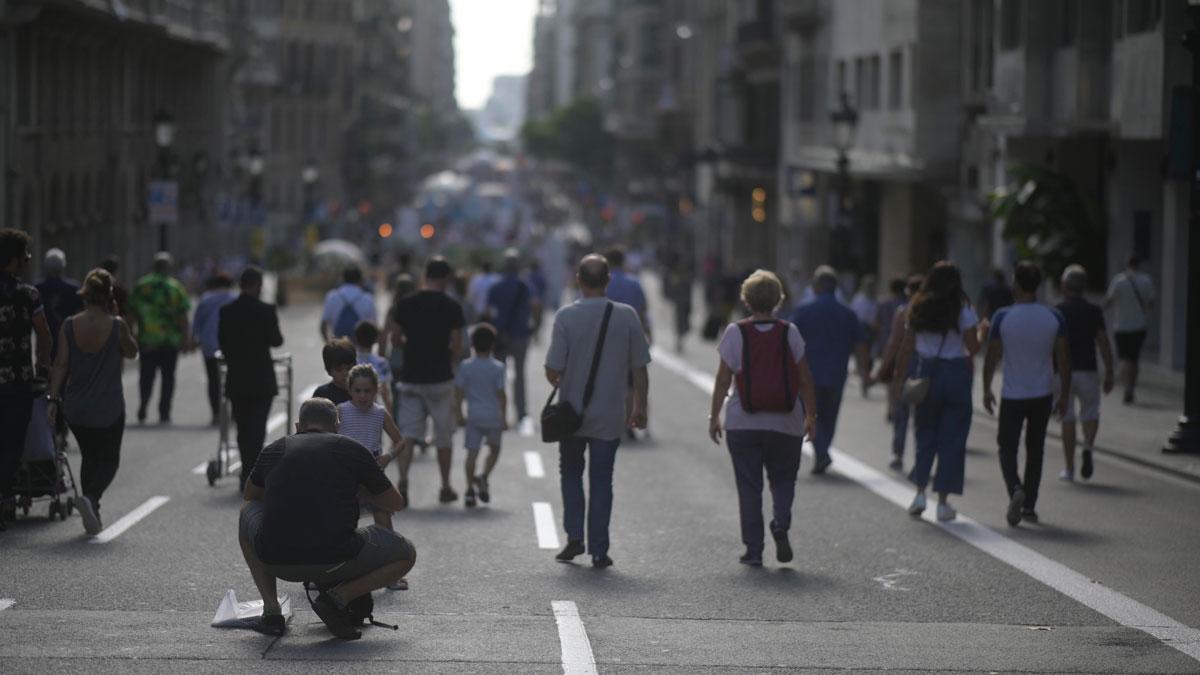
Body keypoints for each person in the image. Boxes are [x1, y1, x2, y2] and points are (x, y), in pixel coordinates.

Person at [238, 398, 414, 639]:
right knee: (406, 553)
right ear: (337, 426)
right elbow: (396, 503)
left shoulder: (274, 449)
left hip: (277, 560)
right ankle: (338, 597)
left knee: (245, 511)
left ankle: (271, 612)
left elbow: (251, 497)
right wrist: (359, 489)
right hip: (338, 559)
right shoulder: (352, 449)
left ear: (299, 426)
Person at [545, 254, 651, 568]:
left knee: (571, 473)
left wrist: (564, 377)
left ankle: (575, 537)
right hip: (610, 414)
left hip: (572, 415)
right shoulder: (627, 315)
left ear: (578, 279)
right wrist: (639, 406)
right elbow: (640, 368)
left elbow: (553, 369)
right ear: (608, 281)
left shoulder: (566, 316)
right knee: (603, 479)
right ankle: (600, 549)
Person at [707, 270, 817, 566]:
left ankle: (753, 549)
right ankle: (780, 524)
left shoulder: (735, 332)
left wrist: (714, 416)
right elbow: (805, 379)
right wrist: (811, 416)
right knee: (783, 480)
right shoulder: (789, 332)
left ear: (746, 299)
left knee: (749, 486)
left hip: (744, 421)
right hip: (786, 421)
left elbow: (721, 379)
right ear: (779, 300)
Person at [46, 268, 138, 534]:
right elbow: (132, 352)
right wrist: (120, 318)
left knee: (89, 455)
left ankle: (92, 512)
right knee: (109, 460)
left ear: (85, 294)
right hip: (108, 406)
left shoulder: (68, 324)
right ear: (109, 295)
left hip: (76, 407)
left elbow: (61, 364)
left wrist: (52, 399)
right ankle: (92, 498)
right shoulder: (116, 324)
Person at [892, 261, 980, 522]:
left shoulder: (917, 306)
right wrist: (982, 332)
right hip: (955, 374)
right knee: (952, 440)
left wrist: (898, 379)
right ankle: (943, 503)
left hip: (925, 374)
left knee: (925, 435)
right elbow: (973, 348)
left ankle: (919, 494)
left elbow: (906, 347)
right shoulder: (964, 309)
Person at [984, 262, 1071, 526]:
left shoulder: (1002, 317)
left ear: (1017, 285)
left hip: (1013, 394)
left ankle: (1015, 488)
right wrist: (1064, 395)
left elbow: (992, 356)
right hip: (1042, 394)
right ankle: (1030, 506)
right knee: (1036, 450)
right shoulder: (1054, 317)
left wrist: (986, 387)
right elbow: (1064, 360)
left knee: (1006, 447)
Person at [390, 256, 466, 505]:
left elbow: (395, 338)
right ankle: (445, 486)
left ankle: (402, 481)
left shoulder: (406, 303)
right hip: (440, 379)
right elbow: (457, 345)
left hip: (411, 376)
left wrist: (408, 346)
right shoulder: (452, 307)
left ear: (425, 276)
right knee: (443, 435)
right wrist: (449, 360)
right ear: (445, 279)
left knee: (408, 435)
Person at [789, 266, 870, 475]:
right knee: (830, 415)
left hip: (809, 373)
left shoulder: (805, 310)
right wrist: (863, 372)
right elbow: (861, 344)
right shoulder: (848, 313)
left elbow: (789, 339)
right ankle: (822, 452)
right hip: (837, 372)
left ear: (816, 287)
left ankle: (822, 452)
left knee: (809, 413)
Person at [337, 365, 406, 590]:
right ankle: (334, 571)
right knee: (343, 523)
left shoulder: (379, 413)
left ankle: (390, 575)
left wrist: (388, 456)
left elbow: (400, 440)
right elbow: (326, 437)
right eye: (357, 390)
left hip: (373, 472)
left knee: (384, 519)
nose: (362, 396)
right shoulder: (341, 411)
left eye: (367, 391)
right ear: (349, 390)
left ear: (376, 390)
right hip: (347, 475)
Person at [0, 229, 52, 530]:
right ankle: (5, 496)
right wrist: (42, 366)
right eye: (25, 257)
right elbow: (43, 334)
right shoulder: (28, 294)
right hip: (17, 382)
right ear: (14, 261)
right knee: (11, 443)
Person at [218, 267, 284, 492]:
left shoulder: (227, 311)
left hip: (237, 378)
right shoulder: (266, 310)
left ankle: (246, 471)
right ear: (258, 286)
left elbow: (223, 343)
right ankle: (252, 473)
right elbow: (276, 341)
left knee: (243, 426)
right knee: (258, 427)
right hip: (262, 378)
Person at [1055, 265, 1115, 482]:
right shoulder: (1094, 311)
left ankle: (1069, 469)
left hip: (1064, 372)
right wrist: (1109, 371)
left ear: (1065, 285)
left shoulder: (1058, 310)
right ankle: (1088, 446)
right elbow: (1103, 342)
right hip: (1088, 370)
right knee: (1090, 413)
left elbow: (1053, 344)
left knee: (1067, 418)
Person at [129, 252, 193, 424]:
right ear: (169, 268)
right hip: (169, 341)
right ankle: (164, 412)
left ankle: (143, 404)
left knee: (146, 376)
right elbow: (183, 317)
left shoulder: (142, 286)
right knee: (168, 378)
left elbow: (131, 313)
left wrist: (131, 334)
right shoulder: (176, 287)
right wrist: (186, 339)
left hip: (147, 340)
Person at [872, 274, 924, 472]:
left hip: (906, 365)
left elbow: (895, 343)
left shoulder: (904, 311)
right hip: (926, 367)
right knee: (921, 417)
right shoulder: (933, 312)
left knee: (900, 412)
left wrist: (885, 367)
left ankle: (898, 453)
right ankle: (921, 457)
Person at [454, 324, 507, 508]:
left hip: (474, 416)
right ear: (492, 345)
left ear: (472, 345)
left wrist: (459, 414)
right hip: (493, 416)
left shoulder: (466, 366)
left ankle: (469, 490)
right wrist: (504, 418)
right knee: (494, 449)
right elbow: (502, 395)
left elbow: (459, 392)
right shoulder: (498, 367)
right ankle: (484, 476)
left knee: (471, 454)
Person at [485, 250, 539, 424]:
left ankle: (497, 411)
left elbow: (489, 312)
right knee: (520, 375)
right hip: (520, 335)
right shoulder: (525, 286)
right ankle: (521, 412)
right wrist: (535, 327)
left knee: (498, 375)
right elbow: (535, 306)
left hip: (500, 336)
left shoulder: (495, 286)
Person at [1105, 256, 1156, 404]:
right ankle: (1131, 388)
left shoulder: (1119, 281)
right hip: (1139, 326)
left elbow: (1108, 301)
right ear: (1139, 265)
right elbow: (1151, 303)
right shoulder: (1146, 280)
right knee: (1134, 359)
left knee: (1124, 358)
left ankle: (1126, 384)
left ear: (1127, 265)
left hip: (1121, 326)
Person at [192, 272, 237, 425]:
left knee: (213, 380)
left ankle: (216, 414)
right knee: (233, 379)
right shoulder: (235, 298)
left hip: (210, 345)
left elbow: (197, 322)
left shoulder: (206, 299)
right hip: (232, 346)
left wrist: (193, 339)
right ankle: (235, 414)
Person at [35, 248, 83, 362]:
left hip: (44, 342)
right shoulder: (74, 288)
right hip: (69, 340)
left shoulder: (37, 289)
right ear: (63, 265)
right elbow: (81, 314)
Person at [320, 267, 377, 342]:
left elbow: (323, 326)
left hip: (339, 347)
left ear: (342, 279)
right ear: (361, 280)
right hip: (361, 348)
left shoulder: (332, 296)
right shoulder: (368, 298)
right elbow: (374, 326)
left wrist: (329, 345)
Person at [353, 321, 394, 414]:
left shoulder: (351, 362)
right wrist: (390, 414)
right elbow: (385, 392)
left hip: (353, 409)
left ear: (356, 337)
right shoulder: (381, 363)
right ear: (376, 339)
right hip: (373, 409)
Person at [314, 338, 356, 405]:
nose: (345, 373)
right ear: (329, 370)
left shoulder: (361, 392)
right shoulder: (322, 395)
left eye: (349, 368)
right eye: (339, 369)